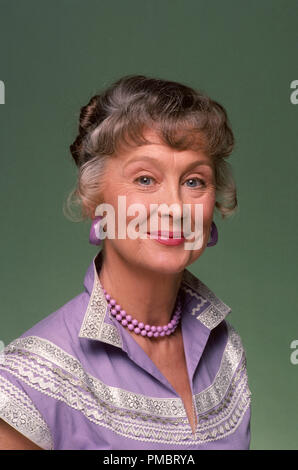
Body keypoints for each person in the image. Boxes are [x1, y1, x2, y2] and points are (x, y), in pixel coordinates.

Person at [0, 75, 252, 450]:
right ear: (93, 199)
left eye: (195, 181)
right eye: (146, 179)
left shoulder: (225, 351)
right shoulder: (30, 382)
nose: (175, 207)